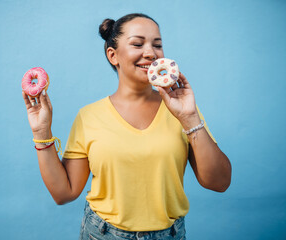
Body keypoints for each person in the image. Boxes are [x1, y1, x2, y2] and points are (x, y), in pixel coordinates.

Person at [22, 13, 231, 240]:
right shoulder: (89, 116)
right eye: (138, 44)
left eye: (157, 45)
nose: (151, 53)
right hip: (102, 234)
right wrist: (41, 132)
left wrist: (190, 118)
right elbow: (64, 193)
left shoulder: (183, 111)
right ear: (113, 55)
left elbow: (219, 182)